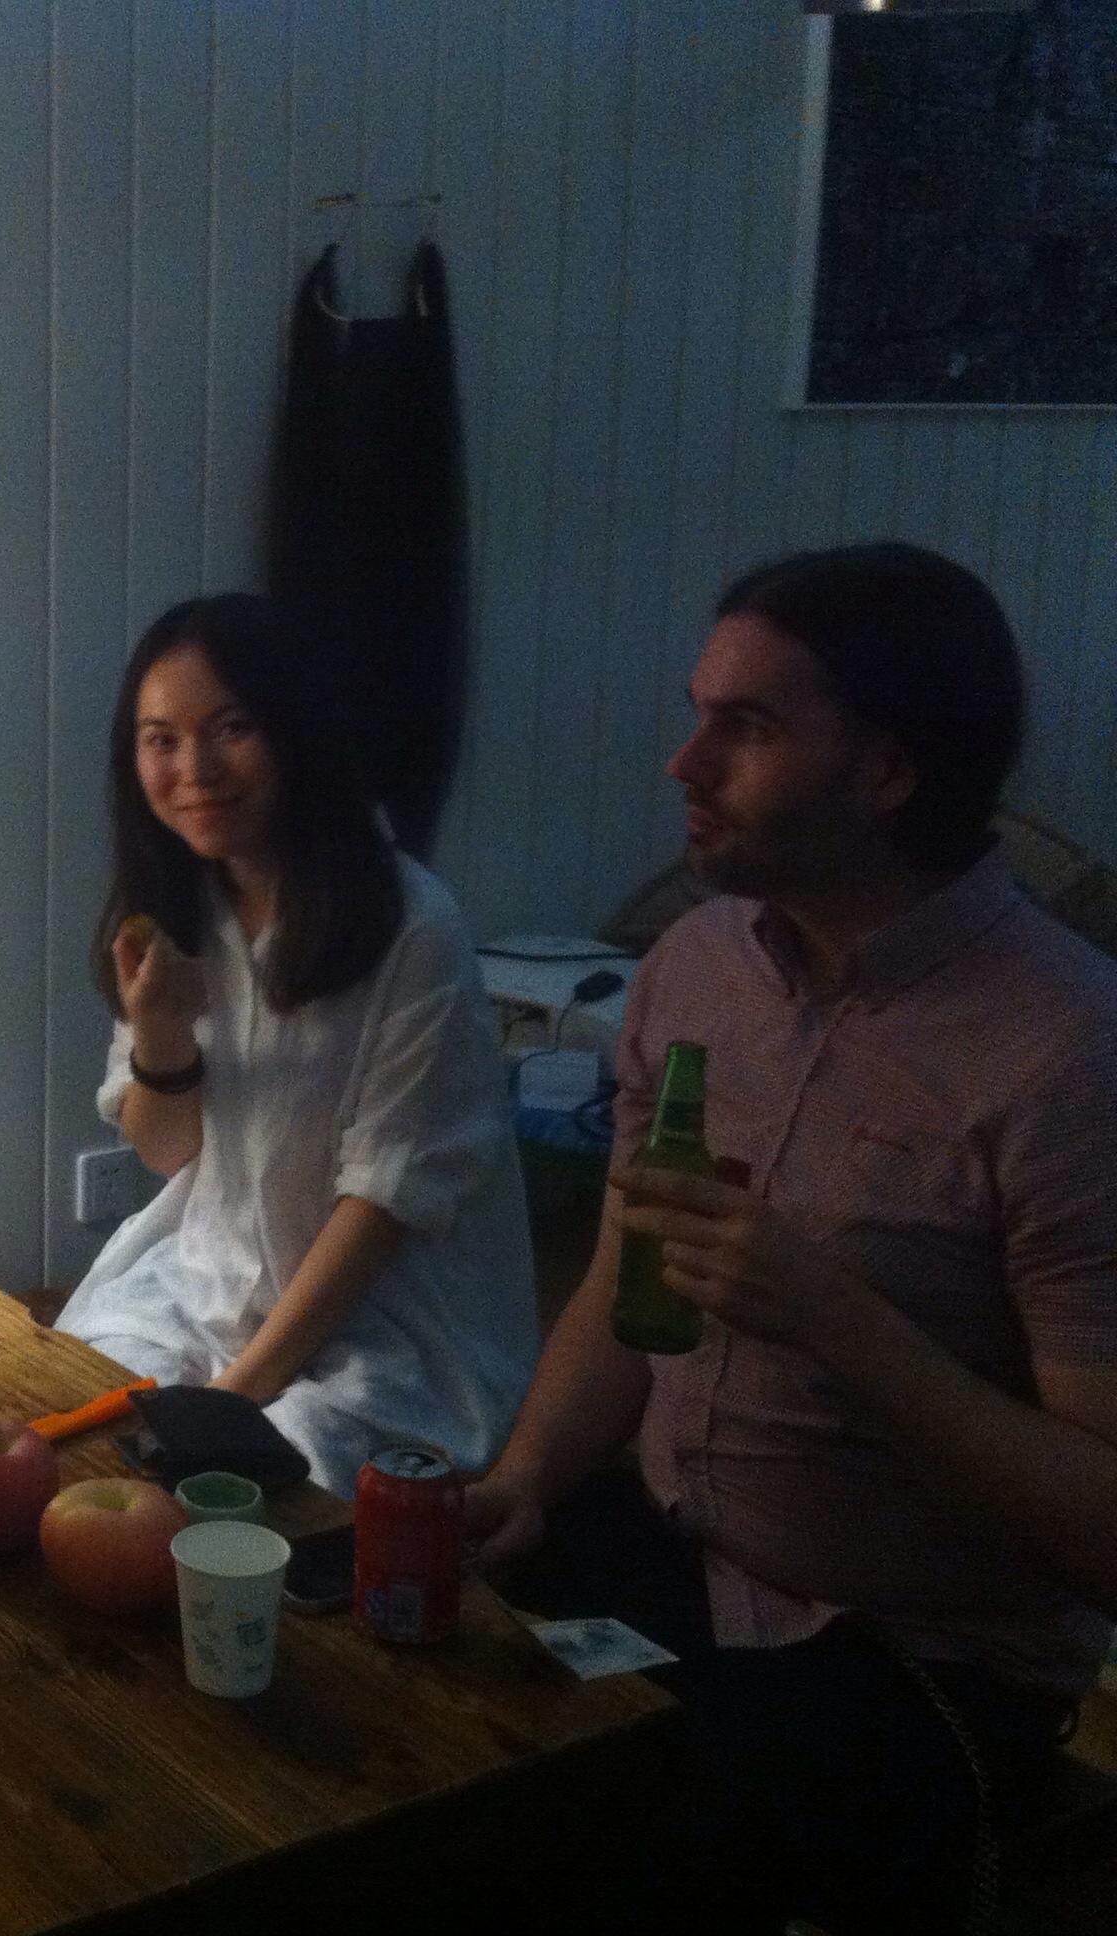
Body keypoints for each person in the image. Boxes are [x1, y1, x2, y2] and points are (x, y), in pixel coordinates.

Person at [463, 543, 1117, 1934]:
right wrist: (526, 1476)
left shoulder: (1070, 1057)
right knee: (393, 1703)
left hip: (914, 1663)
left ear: (887, 771)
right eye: (698, 715)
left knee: (561, 1848)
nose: (684, 764)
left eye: (745, 728)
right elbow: (626, 1270)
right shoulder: (698, 967)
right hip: (673, 1555)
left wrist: (836, 1321)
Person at [54, 593, 537, 1496]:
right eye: (161, 740)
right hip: (208, 1278)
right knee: (68, 1420)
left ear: (297, 732)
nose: (194, 769)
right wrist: (160, 1031)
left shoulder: (413, 929)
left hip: (380, 1319)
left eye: (231, 729)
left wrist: (232, 1401)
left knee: (265, 1494)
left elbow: (380, 1206)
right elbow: (165, 1151)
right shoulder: (177, 906)